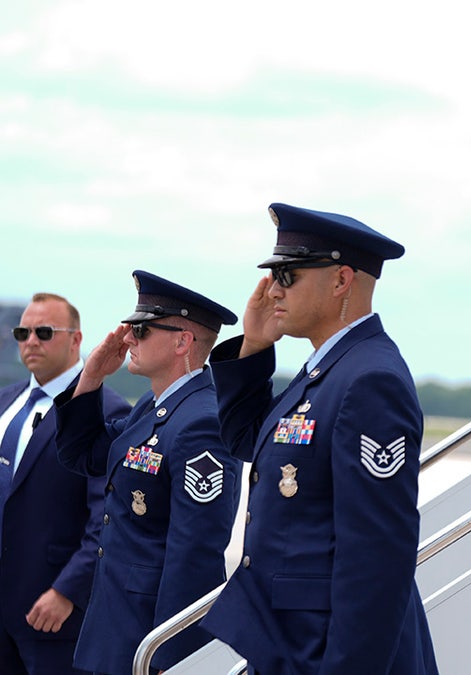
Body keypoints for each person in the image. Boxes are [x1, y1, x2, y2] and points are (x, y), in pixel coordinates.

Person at [199, 203, 438, 674]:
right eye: (272, 275)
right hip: (290, 643)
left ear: (341, 280)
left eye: (288, 274)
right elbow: (249, 440)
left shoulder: (369, 380)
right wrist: (253, 347)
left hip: (326, 651)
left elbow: (376, 560)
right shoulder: (327, 370)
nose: (272, 290)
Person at [54, 272, 240, 674]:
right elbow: (82, 455)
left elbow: (195, 552)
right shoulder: (153, 408)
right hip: (115, 630)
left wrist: (168, 655)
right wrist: (92, 376)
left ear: (182, 341)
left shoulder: (203, 422)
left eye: (140, 328)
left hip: (149, 642)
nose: (129, 339)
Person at [0, 294, 130, 675]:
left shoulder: (105, 411)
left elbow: (106, 517)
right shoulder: (6, 402)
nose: (31, 341)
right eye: (23, 332)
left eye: (44, 332)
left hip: (52, 612)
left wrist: (68, 590)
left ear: (76, 340)